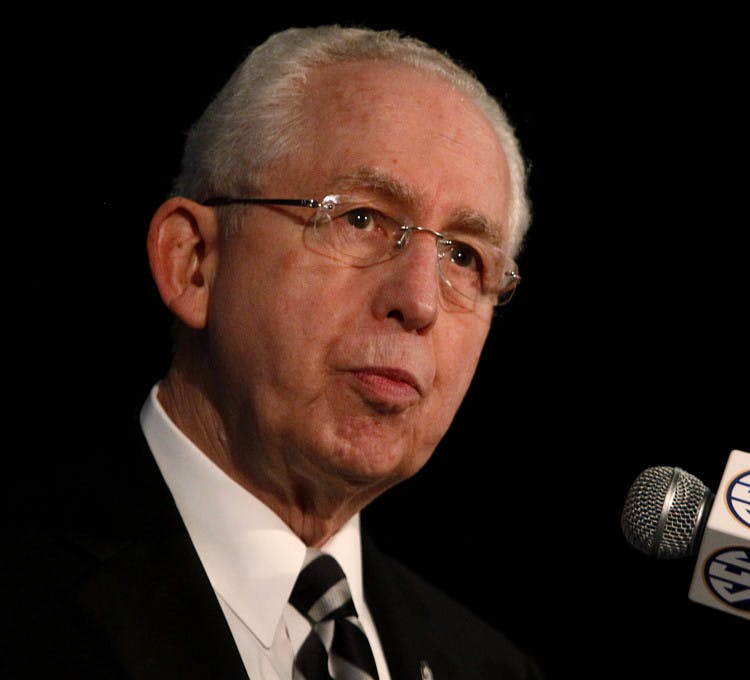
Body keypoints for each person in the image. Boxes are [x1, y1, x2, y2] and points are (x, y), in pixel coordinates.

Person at [5, 24, 543, 680]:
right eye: (362, 219)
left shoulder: (492, 671)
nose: (420, 302)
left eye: (464, 256)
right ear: (194, 263)